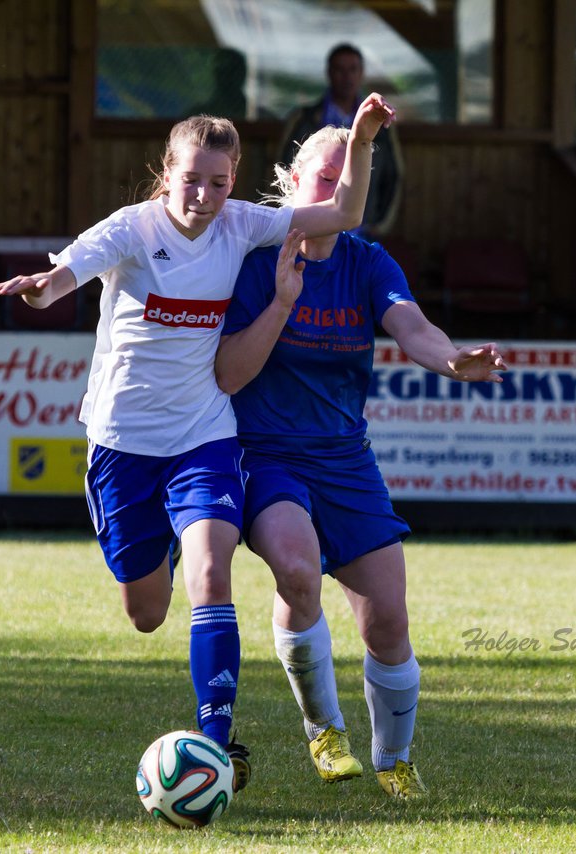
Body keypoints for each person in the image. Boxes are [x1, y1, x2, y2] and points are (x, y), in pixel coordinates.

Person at [0, 94, 397, 794]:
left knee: (213, 575)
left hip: (204, 439)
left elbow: (344, 215)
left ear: (234, 178)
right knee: (147, 613)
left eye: (218, 181)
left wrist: (360, 139)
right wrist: (43, 286)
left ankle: (216, 748)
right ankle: (163, 547)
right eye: (191, 180)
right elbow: (68, 273)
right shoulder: (132, 229)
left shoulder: (242, 226)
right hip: (122, 446)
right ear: (167, 173)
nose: (203, 196)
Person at [216, 125, 506, 799]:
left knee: (388, 623)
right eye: (324, 177)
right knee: (295, 566)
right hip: (266, 454)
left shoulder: (368, 262)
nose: (339, 190)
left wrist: (452, 360)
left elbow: (412, 325)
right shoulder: (253, 261)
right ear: (290, 183)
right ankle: (325, 730)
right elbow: (224, 368)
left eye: (350, 178)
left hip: (346, 459)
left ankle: (394, 760)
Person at [279, 43, 403, 238]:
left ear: (361, 74)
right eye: (340, 70)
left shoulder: (381, 122)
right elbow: (285, 167)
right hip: (310, 227)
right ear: (329, 73)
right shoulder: (304, 119)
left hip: (363, 230)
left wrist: (380, 225)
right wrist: (291, 219)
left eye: (353, 69)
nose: (347, 77)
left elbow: (392, 176)